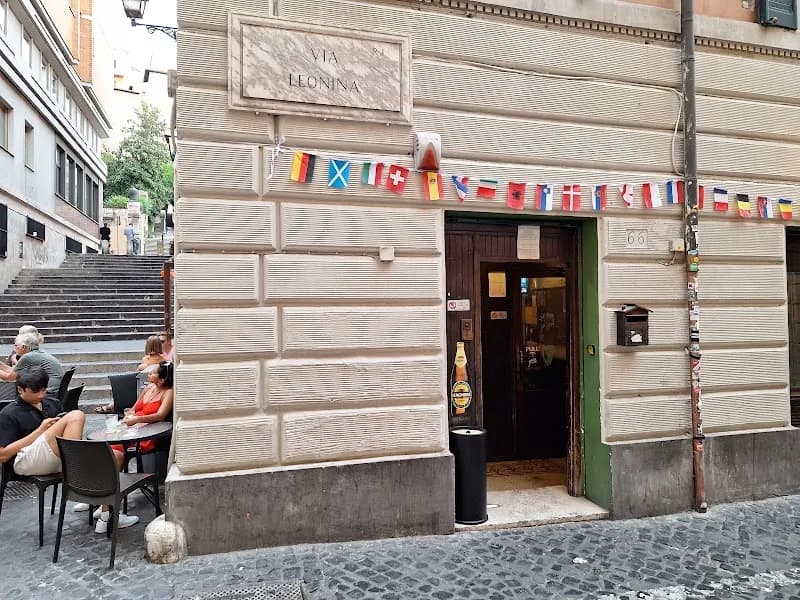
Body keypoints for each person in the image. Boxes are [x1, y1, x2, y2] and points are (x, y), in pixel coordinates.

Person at [76, 362, 174, 533]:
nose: (148, 375)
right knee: (104, 450)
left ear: (162, 379)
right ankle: (101, 500)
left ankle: (104, 508)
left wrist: (136, 420)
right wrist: (128, 417)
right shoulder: (149, 388)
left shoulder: (168, 392)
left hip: (145, 434)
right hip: (130, 429)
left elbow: (160, 415)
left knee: (112, 453)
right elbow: (133, 408)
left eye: (153, 373)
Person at [0, 367, 85, 477]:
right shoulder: (8, 413)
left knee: (109, 454)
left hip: (55, 455)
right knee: (76, 415)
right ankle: (76, 471)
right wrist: (40, 431)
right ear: (20, 390)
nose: (40, 395)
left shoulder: (53, 403)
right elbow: (3, 455)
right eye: (35, 392)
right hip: (23, 461)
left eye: (43, 390)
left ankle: (75, 470)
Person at [95, 335, 165, 414]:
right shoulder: (164, 360)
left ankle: (112, 405)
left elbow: (135, 378)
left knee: (128, 383)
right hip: (149, 389)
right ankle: (113, 405)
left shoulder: (145, 362)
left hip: (143, 390)